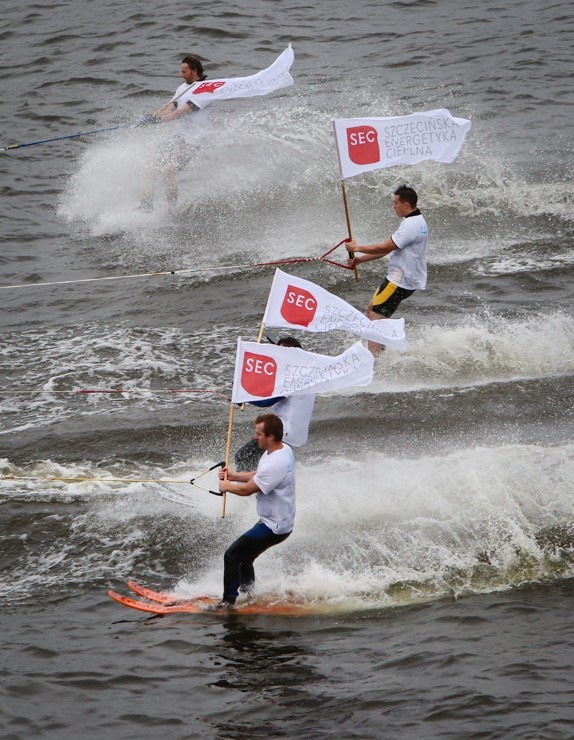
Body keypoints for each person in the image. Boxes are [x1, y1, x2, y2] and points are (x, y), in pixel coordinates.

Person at [216, 413, 296, 609]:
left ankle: (228, 602)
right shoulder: (283, 450)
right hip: (276, 520)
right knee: (245, 558)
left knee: (232, 555)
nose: (255, 437)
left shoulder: (275, 463)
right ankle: (248, 595)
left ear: (271, 436)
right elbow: (259, 475)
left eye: (259, 434)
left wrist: (226, 486)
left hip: (274, 526)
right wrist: (234, 476)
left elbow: (247, 490)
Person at [347, 185, 428, 355]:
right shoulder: (415, 220)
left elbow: (384, 246)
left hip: (399, 282)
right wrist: (360, 259)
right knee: (371, 309)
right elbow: (389, 249)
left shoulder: (410, 226)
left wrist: (357, 247)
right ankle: (381, 351)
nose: (393, 207)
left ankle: (375, 360)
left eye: (396, 203)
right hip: (402, 279)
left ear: (406, 205)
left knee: (375, 319)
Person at [140, 54, 213, 208]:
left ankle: (171, 211)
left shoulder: (206, 90)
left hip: (194, 140)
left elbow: (184, 111)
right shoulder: (182, 88)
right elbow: (172, 106)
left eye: (184, 71)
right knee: (151, 163)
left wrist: (161, 121)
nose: (181, 74)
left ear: (194, 71)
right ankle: (146, 204)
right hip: (179, 137)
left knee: (169, 169)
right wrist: (153, 117)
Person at [234, 336, 316, 471]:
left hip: (283, 433)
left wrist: (244, 397)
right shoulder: (305, 375)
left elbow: (267, 401)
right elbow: (269, 389)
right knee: (264, 465)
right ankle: (255, 486)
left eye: (281, 352)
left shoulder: (293, 378)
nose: (278, 356)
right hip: (294, 435)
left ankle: (245, 488)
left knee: (243, 456)